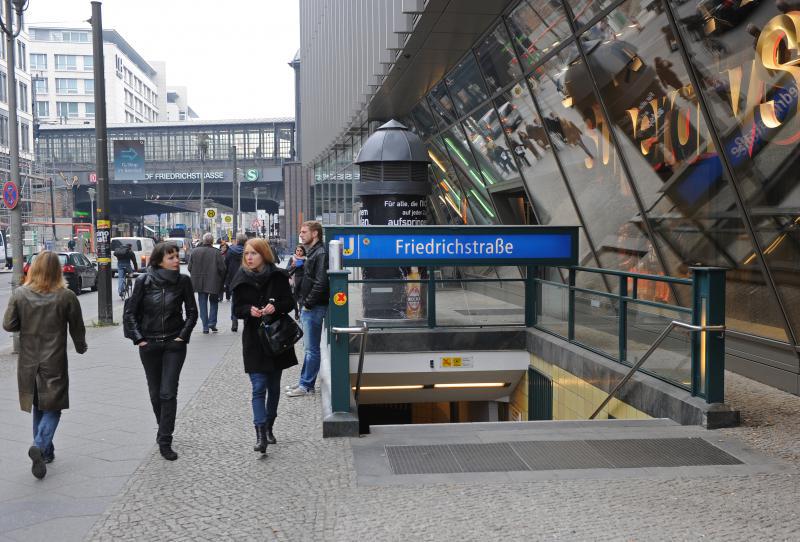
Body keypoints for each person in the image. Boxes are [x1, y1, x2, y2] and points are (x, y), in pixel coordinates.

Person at [3, 251, 87, 479]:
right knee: (54, 408)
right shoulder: (66, 296)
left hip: (29, 362)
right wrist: (81, 346)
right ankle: (40, 446)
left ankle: (46, 452)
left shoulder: (20, 294)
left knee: (39, 405)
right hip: (54, 360)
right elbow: (77, 327)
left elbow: (8, 325)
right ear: (57, 270)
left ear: (34, 269)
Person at [123, 242, 198, 461]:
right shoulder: (143, 281)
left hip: (174, 345)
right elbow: (130, 313)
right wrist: (139, 339)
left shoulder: (183, 281)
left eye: (177, 256)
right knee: (156, 394)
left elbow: (192, 313)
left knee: (168, 392)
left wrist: (182, 337)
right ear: (159, 261)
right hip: (150, 345)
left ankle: (165, 439)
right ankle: (161, 426)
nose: (176, 260)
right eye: (171, 257)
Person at [231, 238, 298, 453]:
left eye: (254, 253)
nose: (249, 257)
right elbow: (236, 309)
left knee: (273, 387)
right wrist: (248, 310)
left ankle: (269, 426)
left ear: (264, 255)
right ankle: (260, 434)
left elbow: (289, 303)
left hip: (276, 339)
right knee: (258, 387)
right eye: (247, 254)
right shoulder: (240, 278)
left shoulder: (278, 276)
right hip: (253, 340)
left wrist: (274, 306)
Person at [286, 221, 329, 397]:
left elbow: (321, 282)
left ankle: (306, 386)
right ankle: (304, 382)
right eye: (301, 232)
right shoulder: (314, 252)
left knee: (312, 349)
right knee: (309, 348)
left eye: (304, 232)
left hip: (314, 306)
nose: (301, 235)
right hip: (310, 305)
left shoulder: (320, 253)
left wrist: (308, 303)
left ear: (315, 234)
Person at [188, 233, 226, 333]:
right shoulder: (217, 253)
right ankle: (212, 323)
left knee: (202, 303)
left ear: (203, 241)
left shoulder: (194, 251)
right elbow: (222, 269)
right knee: (214, 302)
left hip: (199, 282)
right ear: (212, 241)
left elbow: (189, 267)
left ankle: (205, 326)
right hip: (214, 281)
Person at [225, 233, 247, 332]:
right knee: (247, 300)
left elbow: (226, 265)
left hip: (234, 279)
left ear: (237, 241)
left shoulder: (230, 251)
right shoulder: (248, 251)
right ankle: (247, 321)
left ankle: (234, 321)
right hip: (246, 279)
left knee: (234, 300)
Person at [286, 244, 306, 319]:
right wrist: (293, 265)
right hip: (294, 281)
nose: (299, 252)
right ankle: (296, 312)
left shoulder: (305, 259)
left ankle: (301, 312)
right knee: (294, 298)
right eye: (297, 250)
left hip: (303, 280)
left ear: (303, 252)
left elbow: (307, 270)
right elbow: (287, 269)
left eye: (301, 251)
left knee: (301, 298)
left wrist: (302, 264)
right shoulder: (292, 259)